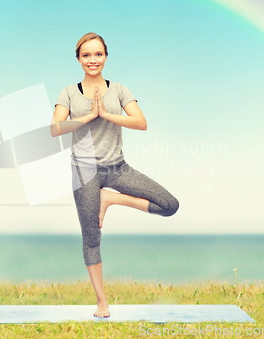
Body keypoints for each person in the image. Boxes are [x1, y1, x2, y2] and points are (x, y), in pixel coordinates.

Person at [51, 32, 179, 318]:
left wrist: (107, 114)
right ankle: (101, 301)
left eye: (98, 54)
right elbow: (55, 128)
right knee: (91, 238)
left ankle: (110, 199)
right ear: (78, 59)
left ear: (106, 57)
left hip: (117, 168)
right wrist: (87, 116)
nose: (92, 60)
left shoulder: (119, 90)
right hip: (83, 172)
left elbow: (141, 122)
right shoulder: (69, 93)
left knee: (169, 205)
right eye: (86, 55)